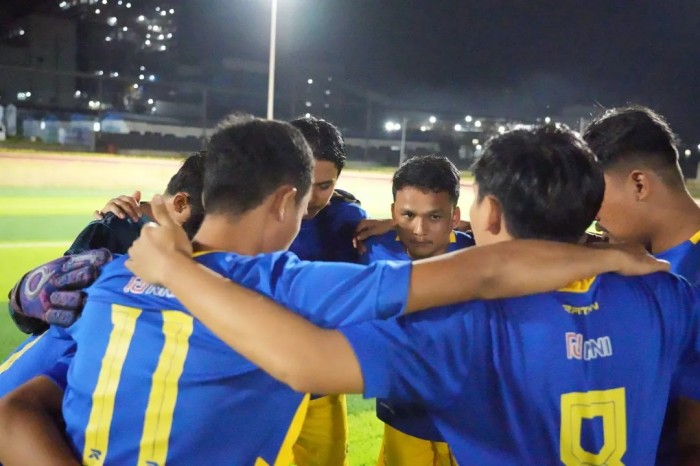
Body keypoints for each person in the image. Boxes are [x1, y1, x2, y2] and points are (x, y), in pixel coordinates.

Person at [0, 119, 667, 466]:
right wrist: (605, 252)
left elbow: (12, 411)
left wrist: (33, 294)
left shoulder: (109, 280)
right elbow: (488, 272)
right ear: (286, 202)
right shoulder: (291, 285)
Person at [90, 116, 366, 465]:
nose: (310, 197)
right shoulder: (242, 209)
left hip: (317, 385)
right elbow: (183, 218)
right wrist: (125, 215)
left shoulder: (347, 219)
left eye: (324, 185)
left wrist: (401, 229)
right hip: (246, 378)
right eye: (303, 182)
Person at [0, 152, 206, 398]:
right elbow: (44, 308)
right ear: (181, 203)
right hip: (49, 382)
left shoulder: (176, 245)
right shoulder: (116, 228)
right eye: (208, 220)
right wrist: (23, 299)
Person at [583, 106, 700, 464]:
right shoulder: (633, 256)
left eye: (595, 196)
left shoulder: (689, 278)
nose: (591, 214)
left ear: (639, 184)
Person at [361, 155, 470, 465]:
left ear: (454, 216)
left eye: (434, 216)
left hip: (465, 414)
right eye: (408, 214)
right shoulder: (371, 247)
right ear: (393, 212)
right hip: (403, 411)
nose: (419, 229)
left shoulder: (478, 252)